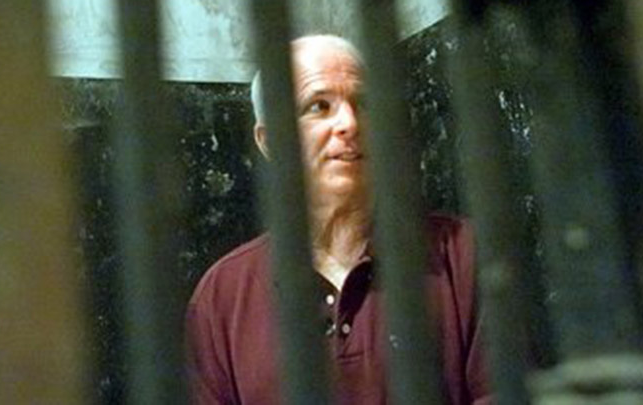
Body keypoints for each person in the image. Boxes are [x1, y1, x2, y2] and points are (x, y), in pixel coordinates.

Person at [186, 34, 491, 404]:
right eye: (319, 106)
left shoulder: (463, 256)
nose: (350, 122)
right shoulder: (223, 297)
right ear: (269, 141)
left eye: (363, 102)